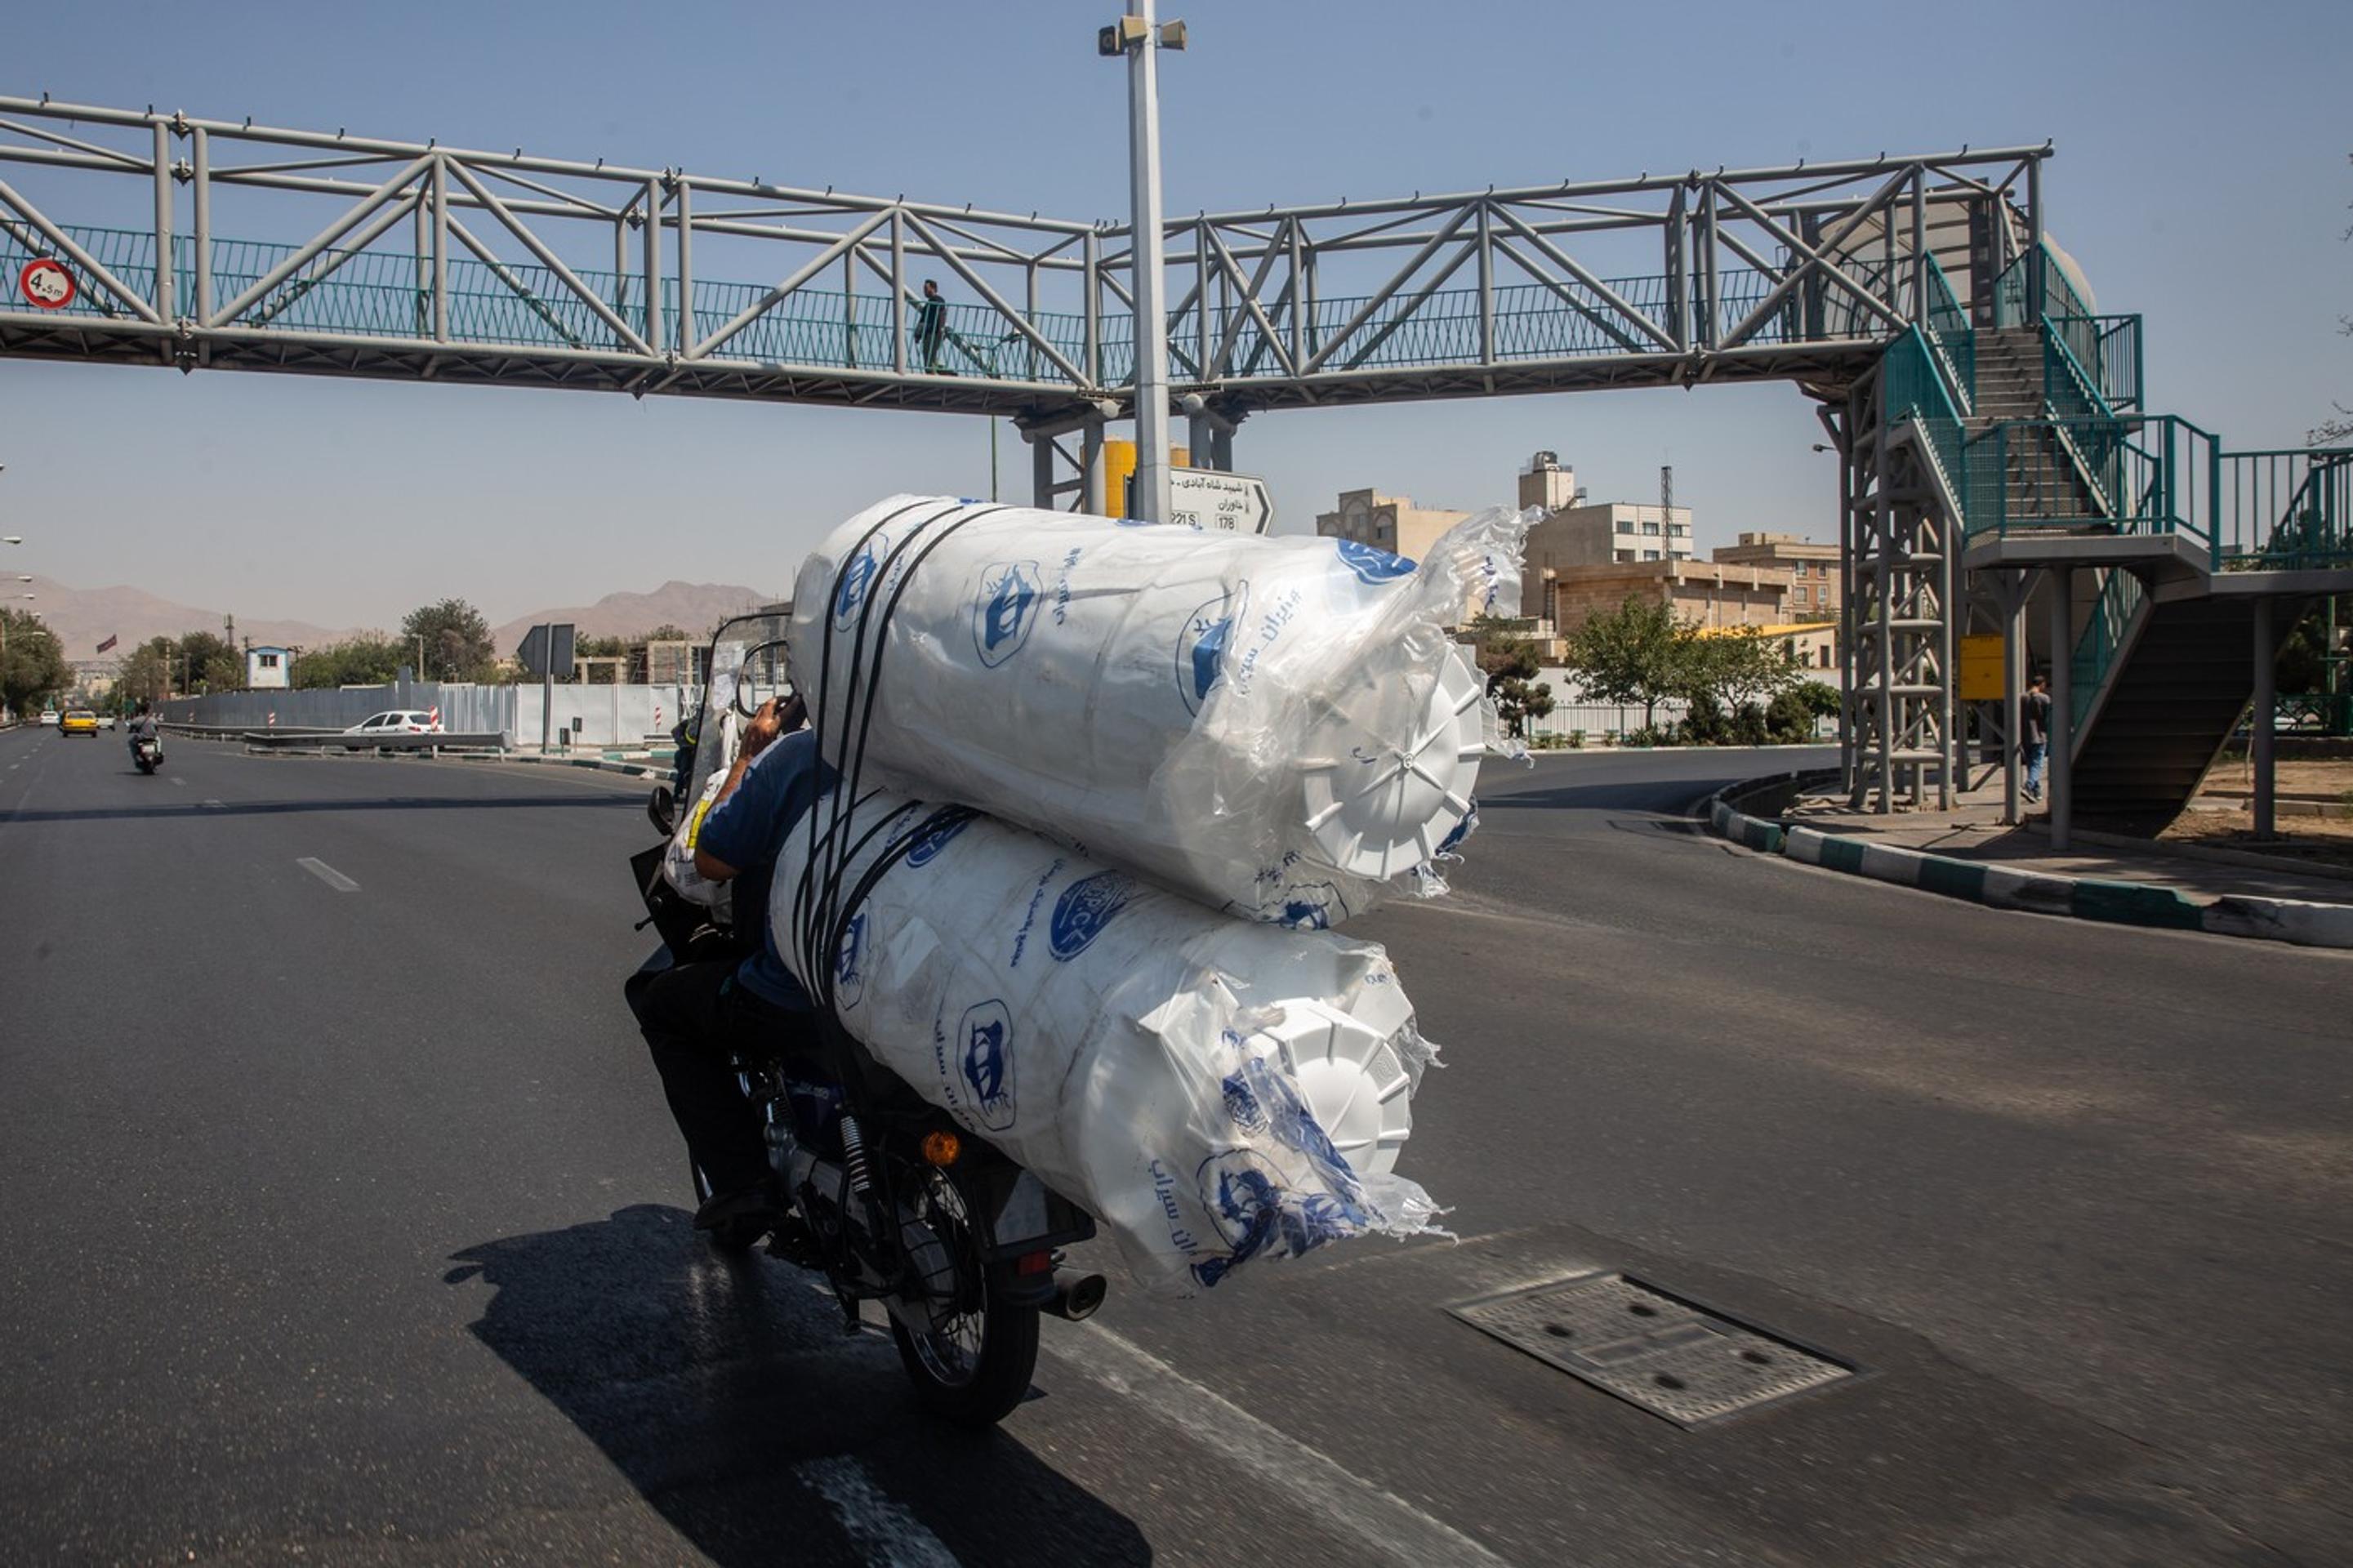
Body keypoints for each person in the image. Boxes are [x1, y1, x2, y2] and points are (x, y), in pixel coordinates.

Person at [627, 692, 831, 1240]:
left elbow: (709, 860)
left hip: (801, 991)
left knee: (664, 1005)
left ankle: (744, 1184)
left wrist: (750, 754)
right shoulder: (947, 766)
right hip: (915, 989)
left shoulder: (794, 759)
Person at [2021, 672, 2052, 804]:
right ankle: (2028, 785)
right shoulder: (2045, 698)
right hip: (2040, 735)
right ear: (2042, 684)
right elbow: (2048, 718)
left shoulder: (2022, 698)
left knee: (2031, 764)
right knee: (2038, 764)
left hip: (2025, 735)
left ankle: (2036, 790)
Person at [914, 278, 949, 375]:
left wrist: (942, 329)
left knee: (929, 356)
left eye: (926, 288)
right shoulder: (930, 303)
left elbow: (942, 313)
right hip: (929, 332)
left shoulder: (937, 300)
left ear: (933, 288)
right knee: (930, 356)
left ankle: (934, 373)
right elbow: (924, 320)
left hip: (934, 332)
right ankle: (940, 371)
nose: (924, 291)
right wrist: (918, 334)